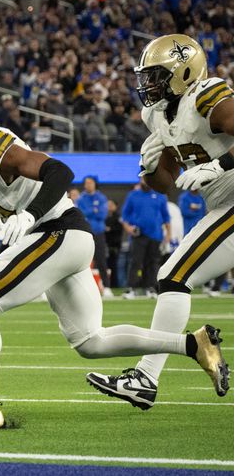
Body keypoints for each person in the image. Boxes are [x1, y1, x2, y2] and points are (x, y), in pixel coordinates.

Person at [0, 90, 227, 431]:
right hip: (65, 237)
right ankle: (194, 344)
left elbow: (59, 172)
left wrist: (29, 216)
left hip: (56, 231)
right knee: (90, 341)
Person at [88, 34, 234, 409]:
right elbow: (164, 181)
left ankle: (145, 378)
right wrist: (149, 168)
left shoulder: (207, 96)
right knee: (173, 276)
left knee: (173, 275)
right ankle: (145, 378)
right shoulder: (156, 113)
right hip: (221, 204)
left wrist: (220, 165)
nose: (148, 85)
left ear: (184, 72)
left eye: (156, 75)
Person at [120, 178, 171, 298]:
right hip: (139, 235)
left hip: (156, 234)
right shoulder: (133, 195)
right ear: (140, 180)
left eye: (147, 179)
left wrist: (168, 234)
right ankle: (131, 288)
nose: (145, 181)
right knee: (135, 262)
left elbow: (166, 217)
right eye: (143, 179)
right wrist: (128, 229)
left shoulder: (160, 196)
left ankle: (151, 288)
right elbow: (124, 216)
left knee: (153, 263)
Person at [76, 175, 112, 296]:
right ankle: (79, 288)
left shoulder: (101, 197)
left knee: (101, 260)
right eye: (86, 183)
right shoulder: (81, 198)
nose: (88, 185)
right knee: (81, 261)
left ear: (95, 184)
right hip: (84, 233)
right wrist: (94, 210)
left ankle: (106, 287)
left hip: (98, 233)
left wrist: (90, 211)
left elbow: (102, 214)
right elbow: (81, 213)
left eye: (90, 183)